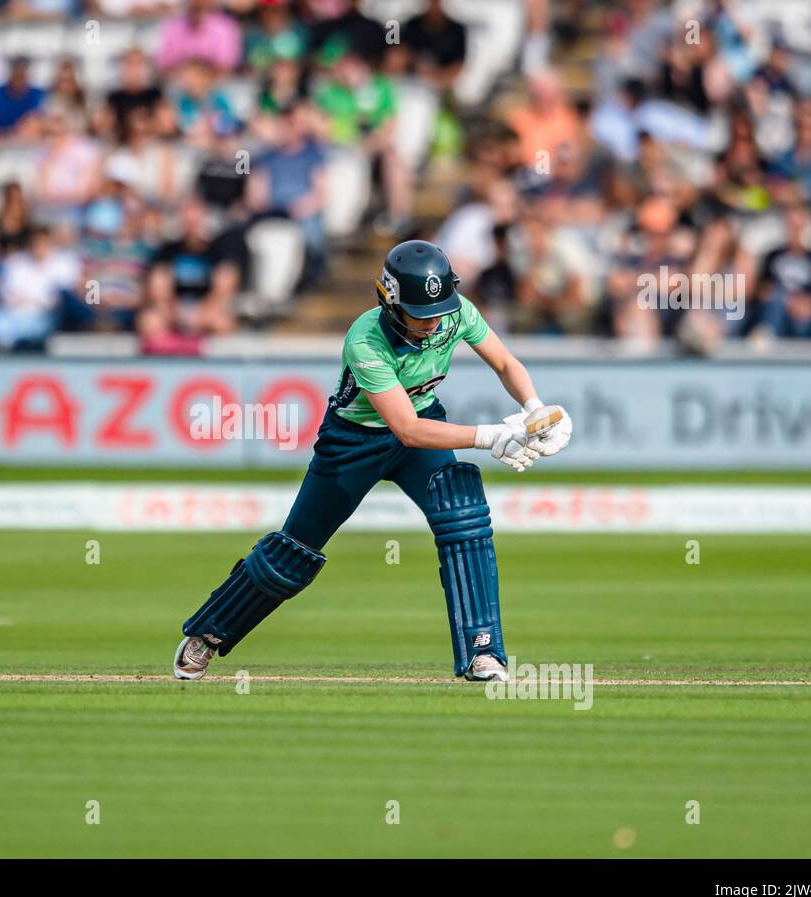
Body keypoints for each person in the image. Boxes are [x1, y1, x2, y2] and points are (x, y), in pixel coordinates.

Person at [172, 240, 573, 682]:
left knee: (465, 517)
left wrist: (533, 407)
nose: (432, 324)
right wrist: (493, 435)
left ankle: (483, 652)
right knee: (295, 550)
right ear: (391, 302)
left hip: (424, 420)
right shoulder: (366, 339)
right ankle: (208, 634)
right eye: (420, 315)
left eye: (437, 311)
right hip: (354, 441)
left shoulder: (456, 312)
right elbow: (406, 429)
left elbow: (504, 362)